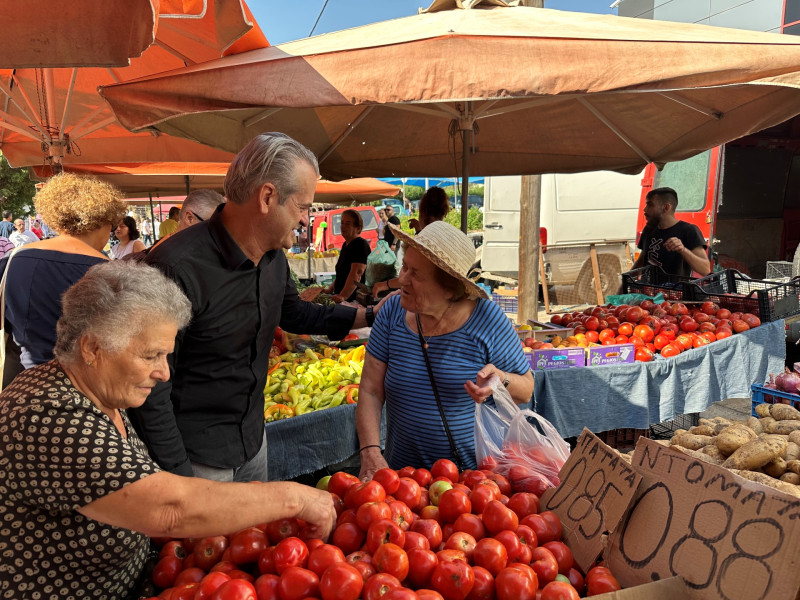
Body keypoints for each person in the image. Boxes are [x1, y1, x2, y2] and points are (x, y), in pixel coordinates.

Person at [0, 261, 336, 600]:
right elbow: (167, 510)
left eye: (166, 356)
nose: (164, 373)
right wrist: (294, 497)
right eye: (151, 356)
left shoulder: (99, 392)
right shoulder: (46, 416)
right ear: (92, 348)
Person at [131, 132, 382, 482]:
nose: (305, 219)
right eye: (303, 206)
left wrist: (370, 313)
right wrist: (177, 474)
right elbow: (149, 384)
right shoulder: (175, 267)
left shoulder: (274, 258)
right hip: (197, 458)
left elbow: (295, 313)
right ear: (267, 197)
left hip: (253, 442)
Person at [356, 221, 533, 478]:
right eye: (404, 266)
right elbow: (371, 390)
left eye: (415, 274)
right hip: (402, 481)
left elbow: (526, 389)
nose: (401, 279)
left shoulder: (487, 319)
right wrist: (370, 451)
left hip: (473, 484)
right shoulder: (391, 313)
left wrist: (500, 380)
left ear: (450, 289)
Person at [0, 173, 125, 384]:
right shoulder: (112, 273)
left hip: (22, 385)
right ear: (103, 220)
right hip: (85, 388)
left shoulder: (14, 259)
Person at [372, 187, 450, 297]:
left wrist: (385, 285)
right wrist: (418, 230)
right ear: (444, 212)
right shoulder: (445, 236)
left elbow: (411, 276)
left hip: (425, 299)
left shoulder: (425, 241)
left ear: (422, 212)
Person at [631, 186, 711, 277]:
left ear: (666, 207)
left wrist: (683, 250)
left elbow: (705, 269)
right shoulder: (649, 229)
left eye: (650, 205)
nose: (645, 209)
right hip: (647, 290)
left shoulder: (689, 231)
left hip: (674, 290)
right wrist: (621, 289)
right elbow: (641, 260)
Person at [124, 189, 224, 262]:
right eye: (213, 227)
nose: (218, 235)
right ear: (189, 218)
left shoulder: (175, 248)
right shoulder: (167, 258)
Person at [323, 209, 371, 303]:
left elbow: (357, 273)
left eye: (348, 224)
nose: (343, 226)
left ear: (358, 228)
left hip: (355, 300)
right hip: (342, 299)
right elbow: (342, 274)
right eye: (342, 223)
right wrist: (330, 289)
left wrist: (343, 296)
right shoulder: (346, 245)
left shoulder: (361, 245)